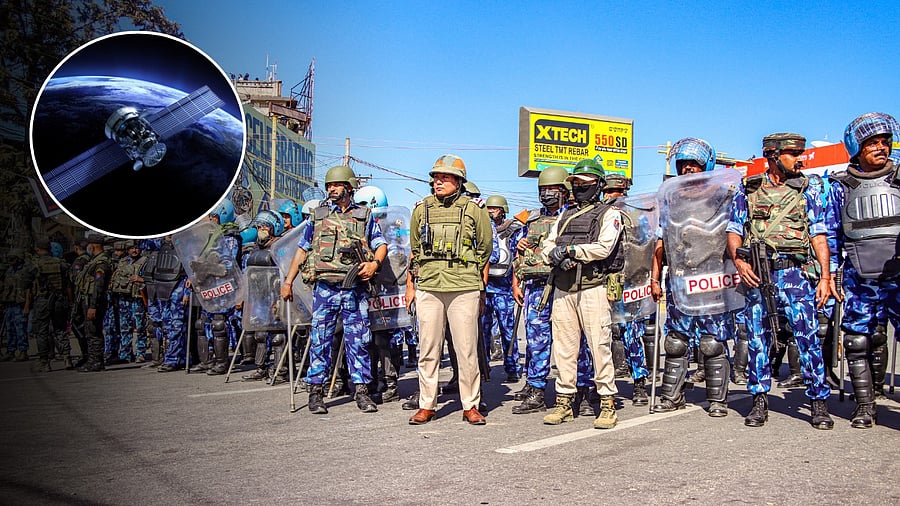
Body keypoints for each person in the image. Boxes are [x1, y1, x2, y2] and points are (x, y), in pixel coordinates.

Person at [727, 132, 835, 429]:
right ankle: (759, 399)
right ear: (773, 156)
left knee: (808, 337)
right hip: (759, 274)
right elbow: (734, 230)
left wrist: (825, 277)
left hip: (794, 274)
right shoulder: (748, 190)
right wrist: (738, 260)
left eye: (801, 152)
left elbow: (819, 235)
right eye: (793, 153)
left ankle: (818, 401)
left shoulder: (808, 190)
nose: (800, 158)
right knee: (757, 339)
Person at [281, 165, 388, 414]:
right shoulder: (317, 217)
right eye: (329, 185)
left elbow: (380, 244)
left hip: (354, 289)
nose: (332, 189)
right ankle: (315, 392)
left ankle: (361, 391)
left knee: (359, 341)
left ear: (349, 187)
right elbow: (302, 250)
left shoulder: (364, 215)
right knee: (320, 340)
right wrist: (288, 282)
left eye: (336, 185)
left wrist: (374, 264)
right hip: (325, 288)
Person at [404, 154, 493, 425]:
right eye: (435, 177)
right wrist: (412, 286)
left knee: (466, 349)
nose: (438, 182)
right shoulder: (422, 209)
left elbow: (485, 247)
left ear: (459, 181)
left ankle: (470, 404)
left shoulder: (474, 209)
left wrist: (476, 283)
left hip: (463, 286)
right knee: (428, 348)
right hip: (429, 285)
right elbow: (415, 248)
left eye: (444, 177)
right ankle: (427, 404)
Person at [826, 112, 900, 428]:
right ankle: (865, 407)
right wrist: (830, 274)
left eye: (885, 142)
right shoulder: (840, 186)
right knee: (856, 341)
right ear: (857, 148)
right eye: (873, 143)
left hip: (898, 276)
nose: (881, 147)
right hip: (858, 275)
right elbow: (830, 234)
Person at [652, 138, 734, 418]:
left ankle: (717, 400)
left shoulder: (724, 194)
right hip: (679, 279)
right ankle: (671, 397)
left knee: (712, 342)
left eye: (694, 164)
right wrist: (654, 278)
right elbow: (661, 241)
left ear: (706, 165)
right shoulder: (670, 199)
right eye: (683, 164)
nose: (688, 169)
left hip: (711, 280)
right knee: (675, 341)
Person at [541, 158, 624, 429]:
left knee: (600, 348)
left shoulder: (609, 214)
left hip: (593, 288)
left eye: (585, 184)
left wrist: (572, 252)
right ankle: (564, 402)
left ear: (598, 185)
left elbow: (604, 248)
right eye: (576, 183)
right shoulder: (564, 215)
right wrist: (555, 256)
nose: (579, 188)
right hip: (563, 289)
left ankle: (607, 403)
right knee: (564, 349)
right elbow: (547, 245)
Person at [510, 166, 570, 414]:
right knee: (536, 341)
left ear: (564, 191)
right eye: (543, 189)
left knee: (573, 342)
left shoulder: (572, 217)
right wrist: (516, 281)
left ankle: (581, 389)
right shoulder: (531, 218)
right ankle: (536, 389)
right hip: (535, 287)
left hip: (565, 286)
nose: (546, 194)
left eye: (552, 189)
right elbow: (518, 253)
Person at [483, 194, 522, 383]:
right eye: (488, 208)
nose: (491, 212)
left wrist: (516, 283)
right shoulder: (481, 229)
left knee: (508, 330)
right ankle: (483, 367)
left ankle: (512, 367)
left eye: (495, 209)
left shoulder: (513, 230)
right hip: (484, 287)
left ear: (503, 210)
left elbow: (517, 258)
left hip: (504, 288)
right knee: (482, 331)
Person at [74, 234, 113, 372]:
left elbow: (99, 286)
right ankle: (93, 360)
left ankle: (96, 362)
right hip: (89, 300)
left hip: (94, 301)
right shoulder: (95, 260)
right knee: (90, 330)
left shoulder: (101, 263)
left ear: (93, 245)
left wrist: (93, 306)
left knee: (93, 331)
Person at [30, 239, 70, 371]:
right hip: (59, 299)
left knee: (42, 332)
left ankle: (45, 362)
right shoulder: (60, 263)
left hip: (42, 300)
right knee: (60, 330)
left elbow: (25, 282)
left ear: (37, 249)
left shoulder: (34, 264)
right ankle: (67, 358)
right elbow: (68, 281)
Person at [107, 241, 148, 362]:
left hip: (138, 298)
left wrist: (141, 279)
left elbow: (152, 278)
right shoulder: (123, 262)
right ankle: (126, 354)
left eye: (136, 248)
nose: (134, 250)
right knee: (125, 327)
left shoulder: (146, 261)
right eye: (131, 248)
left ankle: (141, 353)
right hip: (123, 298)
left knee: (140, 327)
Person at [0, 248, 34, 362]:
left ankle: (23, 351)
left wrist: (27, 306)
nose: (10, 261)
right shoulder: (9, 271)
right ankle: (11, 351)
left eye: (13, 258)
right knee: (10, 329)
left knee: (20, 329)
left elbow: (29, 289)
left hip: (20, 304)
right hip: (10, 303)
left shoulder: (25, 271)